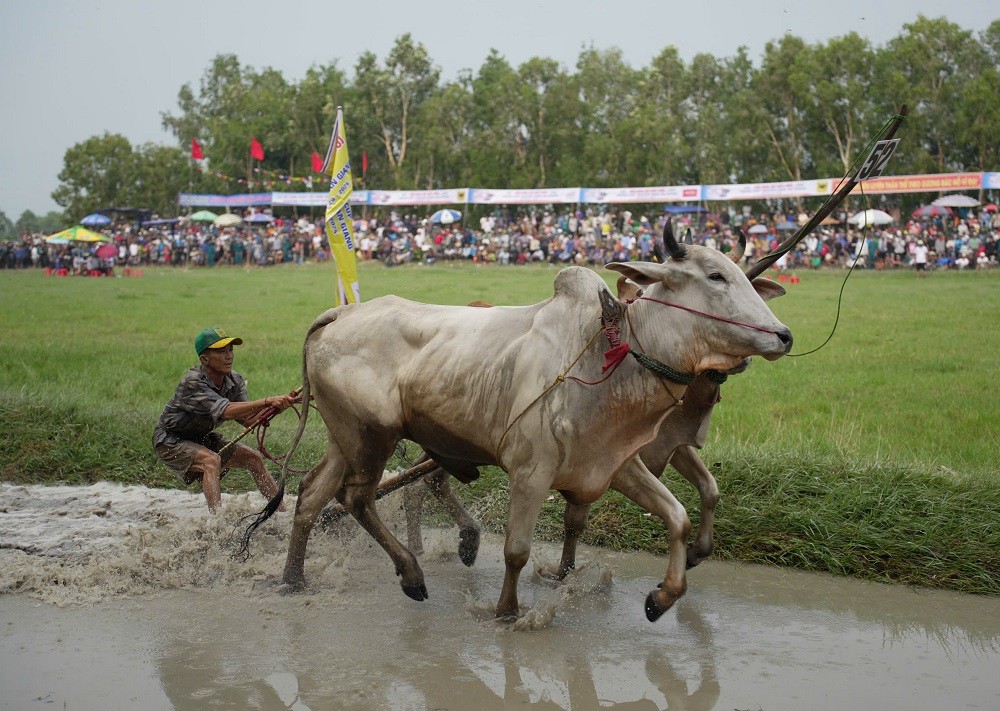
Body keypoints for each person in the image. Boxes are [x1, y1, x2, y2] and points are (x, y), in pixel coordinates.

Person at [153, 327, 300, 513]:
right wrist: (267, 401)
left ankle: (280, 511)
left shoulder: (235, 380)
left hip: (201, 438)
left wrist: (276, 408)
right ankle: (217, 522)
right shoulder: (193, 382)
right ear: (204, 359)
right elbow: (227, 412)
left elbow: (248, 420)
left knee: (253, 458)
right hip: (170, 441)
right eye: (221, 351)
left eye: (230, 350)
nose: (228, 356)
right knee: (211, 461)